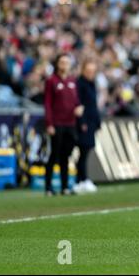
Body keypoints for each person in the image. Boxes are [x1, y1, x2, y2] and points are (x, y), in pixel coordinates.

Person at [44, 54, 84, 196]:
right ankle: (48, 187)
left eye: (67, 62)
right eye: (62, 62)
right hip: (57, 123)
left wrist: (79, 107)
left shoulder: (72, 81)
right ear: (57, 63)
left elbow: (76, 100)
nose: (64, 64)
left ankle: (65, 186)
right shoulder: (51, 81)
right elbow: (47, 103)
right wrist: (49, 123)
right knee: (54, 154)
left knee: (66, 155)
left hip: (70, 123)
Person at [74, 59, 101, 193]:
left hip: (91, 122)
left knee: (86, 151)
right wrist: (82, 122)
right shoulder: (80, 84)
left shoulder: (91, 84)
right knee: (83, 152)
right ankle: (81, 180)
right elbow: (79, 104)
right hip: (84, 123)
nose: (91, 73)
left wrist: (97, 122)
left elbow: (93, 105)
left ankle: (82, 179)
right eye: (88, 71)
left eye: (93, 71)